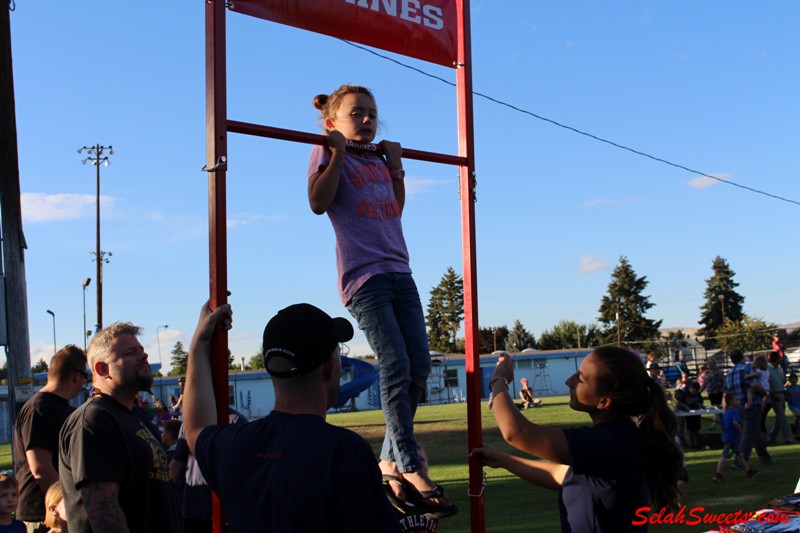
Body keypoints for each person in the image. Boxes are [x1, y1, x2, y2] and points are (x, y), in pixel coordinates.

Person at [307, 83, 454, 515]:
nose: (368, 119)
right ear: (333, 122)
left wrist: (396, 168)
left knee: (418, 367)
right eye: (358, 113)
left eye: (372, 113)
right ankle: (409, 465)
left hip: (400, 270)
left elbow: (394, 209)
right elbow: (318, 203)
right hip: (364, 276)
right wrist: (335, 152)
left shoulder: (375, 159)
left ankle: (389, 461)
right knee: (395, 364)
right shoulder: (327, 150)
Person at [183, 301, 401, 532]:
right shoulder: (345, 453)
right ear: (330, 368)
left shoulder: (233, 446)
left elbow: (195, 429)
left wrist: (199, 342)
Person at [471, 346, 682, 532]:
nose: (569, 381)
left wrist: (498, 382)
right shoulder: (616, 438)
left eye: (580, 378)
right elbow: (561, 475)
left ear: (604, 401)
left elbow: (517, 433)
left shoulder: (609, 443)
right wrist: (501, 460)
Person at [58, 322, 182, 533]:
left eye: (142, 350)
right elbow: (103, 511)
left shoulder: (133, 418)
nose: (144, 356)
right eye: (131, 352)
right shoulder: (94, 420)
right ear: (102, 368)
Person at [14, 345, 87, 532]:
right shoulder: (40, 409)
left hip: (59, 512)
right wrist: (67, 505)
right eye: (85, 377)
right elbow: (40, 467)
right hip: (44, 515)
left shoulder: (62, 409)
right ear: (77, 377)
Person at [170, 409, 247, 533]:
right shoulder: (188, 423)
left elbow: (177, 464)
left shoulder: (235, 421)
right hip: (195, 507)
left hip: (216, 508)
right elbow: (178, 463)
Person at [724, 349, 772, 465]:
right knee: (749, 433)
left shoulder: (729, 374)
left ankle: (765, 457)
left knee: (754, 432)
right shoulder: (747, 369)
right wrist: (764, 393)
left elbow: (726, 395)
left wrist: (726, 412)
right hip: (751, 405)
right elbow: (755, 385)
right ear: (742, 357)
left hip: (736, 407)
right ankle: (740, 461)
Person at [713, 392, 758, 483]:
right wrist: (741, 431)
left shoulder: (727, 412)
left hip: (729, 436)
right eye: (736, 400)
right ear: (730, 402)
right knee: (725, 456)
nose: (739, 401)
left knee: (740, 455)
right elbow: (735, 422)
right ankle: (718, 474)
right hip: (732, 438)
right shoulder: (735, 412)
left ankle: (749, 472)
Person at [765, 351, 794, 444]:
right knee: (782, 417)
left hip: (781, 392)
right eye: (779, 358)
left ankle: (772, 438)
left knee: (779, 417)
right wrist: (772, 394)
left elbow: (781, 381)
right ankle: (787, 438)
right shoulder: (768, 369)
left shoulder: (779, 368)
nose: (781, 359)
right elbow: (767, 383)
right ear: (776, 359)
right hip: (774, 394)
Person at [699, 360, 724, 429]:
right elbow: (705, 383)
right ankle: (723, 423)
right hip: (710, 392)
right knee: (717, 408)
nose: (710, 365)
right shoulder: (707, 373)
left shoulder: (718, 372)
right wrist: (699, 392)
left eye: (711, 363)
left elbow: (724, 381)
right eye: (709, 363)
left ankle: (714, 425)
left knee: (717, 407)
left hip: (718, 392)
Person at [683, 381, 704, 449]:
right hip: (689, 413)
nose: (694, 393)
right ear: (691, 388)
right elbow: (681, 402)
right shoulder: (686, 393)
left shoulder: (698, 394)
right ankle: (692, 444)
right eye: (693, 391)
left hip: (696, 412)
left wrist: (701, 405)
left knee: (697, 429)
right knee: (691, 430)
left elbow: (701, 402)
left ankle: (698, 444)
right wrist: (686, 407)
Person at [785, 373, 800, 440]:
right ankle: (797, 432)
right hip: (793, 405)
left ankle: (795, 429)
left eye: (795, 379)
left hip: (799, 404)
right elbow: (786, 398)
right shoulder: (788, 389)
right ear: (789, 380)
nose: (793, 380)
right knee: (798, 415)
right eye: (792, 379)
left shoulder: (799, 387)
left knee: (798, 418)